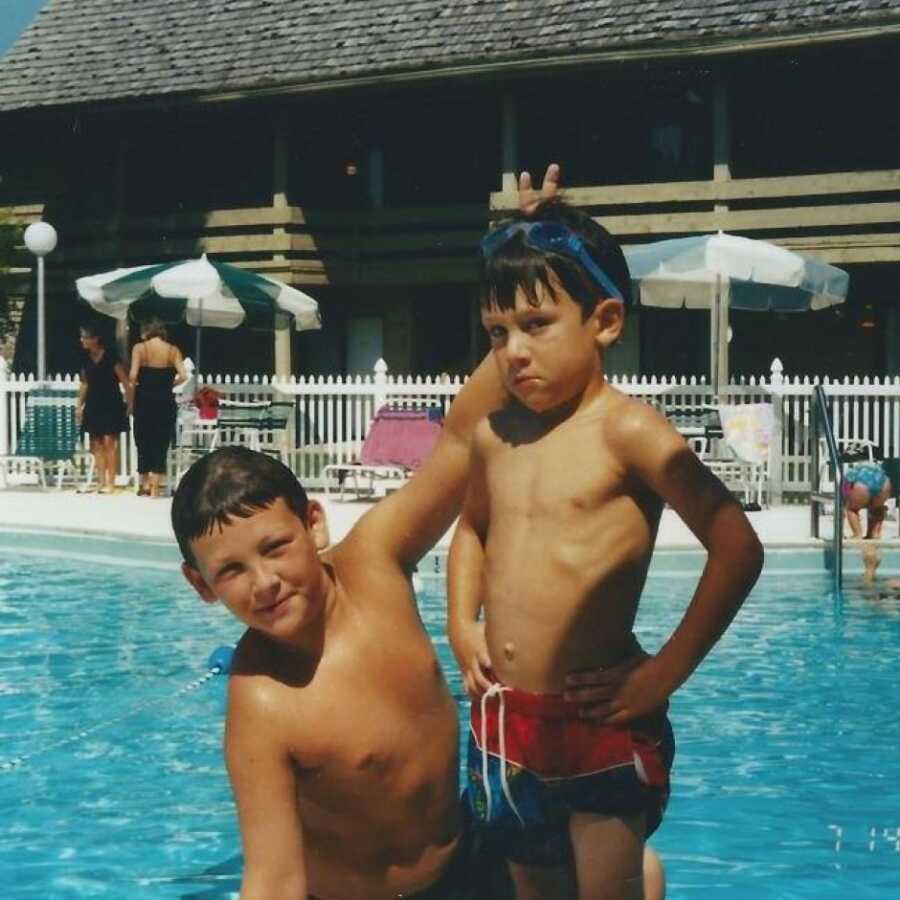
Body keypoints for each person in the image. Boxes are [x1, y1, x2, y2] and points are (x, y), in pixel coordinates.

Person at [447, 199, 764, 900]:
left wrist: (664, 675)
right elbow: (471, 530)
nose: (514, 350)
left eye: (536, 325)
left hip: (599, 718)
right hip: (507, 719)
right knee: (535, 888)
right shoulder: (496, 435)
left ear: (605, 322)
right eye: (497, 332)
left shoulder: (629, 431)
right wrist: (459, 623)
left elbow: (737, 546)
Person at [129, 318, 188, 497]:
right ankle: (155, 488)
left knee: (143, 439)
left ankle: (144, 484)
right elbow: (184, 375)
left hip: (144, 399)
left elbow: (132, 375)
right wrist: (169, 383)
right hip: (165, 399)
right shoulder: (173, 350)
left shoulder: (140, 348)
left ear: (146, 332)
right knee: (161, 441)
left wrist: (134, 392)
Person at [76, 323, 130, 494]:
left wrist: (130, 403)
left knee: (109, 442)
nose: (82, 340)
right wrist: (79, 405)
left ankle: (111, 483)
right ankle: (101, 482)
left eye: (85, 337)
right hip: (93, 403)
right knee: (96, 443)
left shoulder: (111, 357)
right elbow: (84, 383)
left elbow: (125, 381)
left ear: (95, 339)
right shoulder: (84, 359)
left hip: (111, 403)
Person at [842, 459, 891, 542]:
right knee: (877, 508)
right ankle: (874, 534)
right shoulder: (865, 467)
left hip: (859, 482)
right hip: (883, 481)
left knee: (851, 509)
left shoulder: (848, 478)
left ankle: (857, 534)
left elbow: (843, 505)